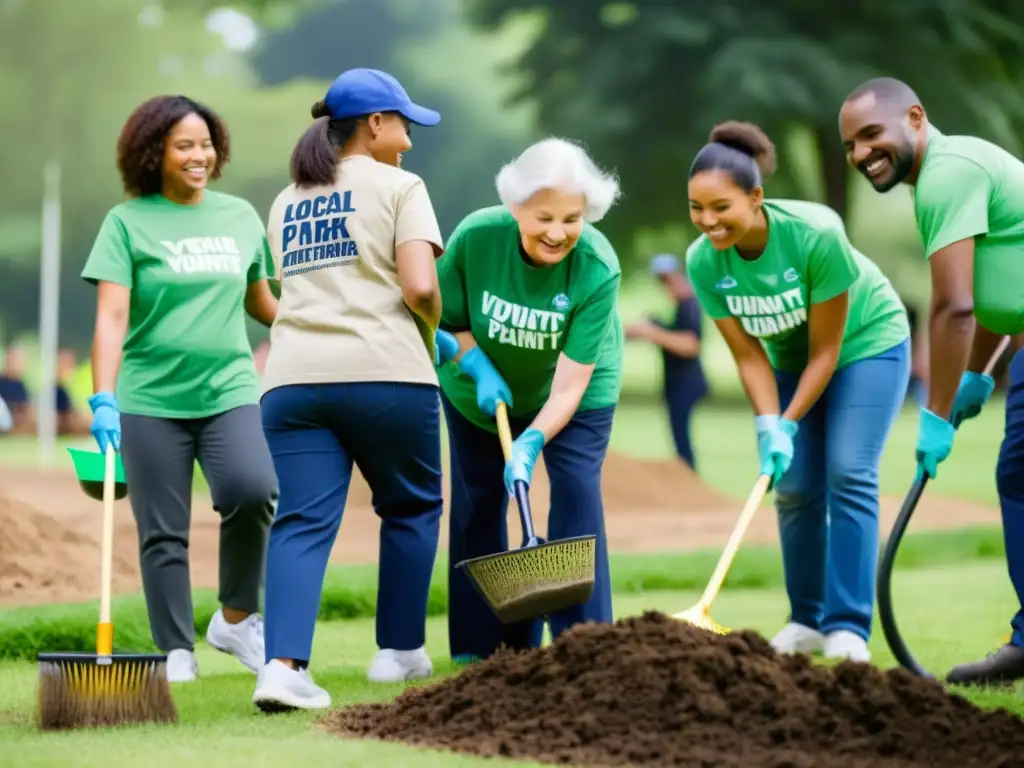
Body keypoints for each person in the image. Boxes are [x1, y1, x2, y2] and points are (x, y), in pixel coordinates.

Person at [251, 68, 447, 712]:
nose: (410, 137)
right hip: (386, 372)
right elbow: (419, 287)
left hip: (291, 380)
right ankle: (397, 652)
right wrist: (436, 330)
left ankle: (281, 668)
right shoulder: (401, 185)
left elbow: (284, 294)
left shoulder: (286, 199)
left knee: (301, 522)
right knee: (412, 506)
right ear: (374, 124)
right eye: (404, 123)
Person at [685, 121, 911, 663]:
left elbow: (826, 354)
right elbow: (747, 355)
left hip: (867, 346)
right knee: (794, 484)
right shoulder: (702, 262)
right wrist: (770, 423)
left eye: (722, 207)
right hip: (788, 361)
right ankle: (807, 620)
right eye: (697, 208)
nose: (709, 221)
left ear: (756, 197)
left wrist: (788, 419)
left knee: (848, 471)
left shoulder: (816, 234)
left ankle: (849, 627)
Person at [81, 94, 280, 684]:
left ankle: (237, 619)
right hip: (149, 399)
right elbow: (111, 319)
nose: (200, 156)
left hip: (229, 389)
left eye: (206, 144)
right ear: (155, 153)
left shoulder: (240, 216)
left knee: (254, 489)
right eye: (184, 146)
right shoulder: (127, 222)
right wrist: (103, 397)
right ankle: (176, 651)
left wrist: (327, 318)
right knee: (162, 530)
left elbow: (262, 302)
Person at [840, 77, 1024, 684]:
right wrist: (975, 377)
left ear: (914, 118)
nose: (861, 153)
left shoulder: (947, 173)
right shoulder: (947, 174)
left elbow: (956, 308)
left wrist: (937, 414)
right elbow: (1006, 291)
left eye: (871, 134)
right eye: (849, 145)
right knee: (1019, 474)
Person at [433, 137, 624, 664]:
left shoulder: (596, 266)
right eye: (543, 218)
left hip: (574, 395)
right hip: (478, 392)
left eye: (572, 218)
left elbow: (570, 384)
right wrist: (473, 364)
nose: (558, 233)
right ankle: (485, 648)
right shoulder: (477, 236)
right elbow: (443, 321)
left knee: (576, 492)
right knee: (478, 502)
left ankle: (583, 646)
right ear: (516, 206)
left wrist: (533, 439)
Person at [625, 253, 709, 470]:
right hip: (675, 382)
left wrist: (652, 332)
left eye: (668, 279)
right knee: (679, 436)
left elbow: (690, 345)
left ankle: (690, 482)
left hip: (687, 383)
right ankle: (687, 478)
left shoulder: (690, 303)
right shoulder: (679, 305)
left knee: (682, 439)